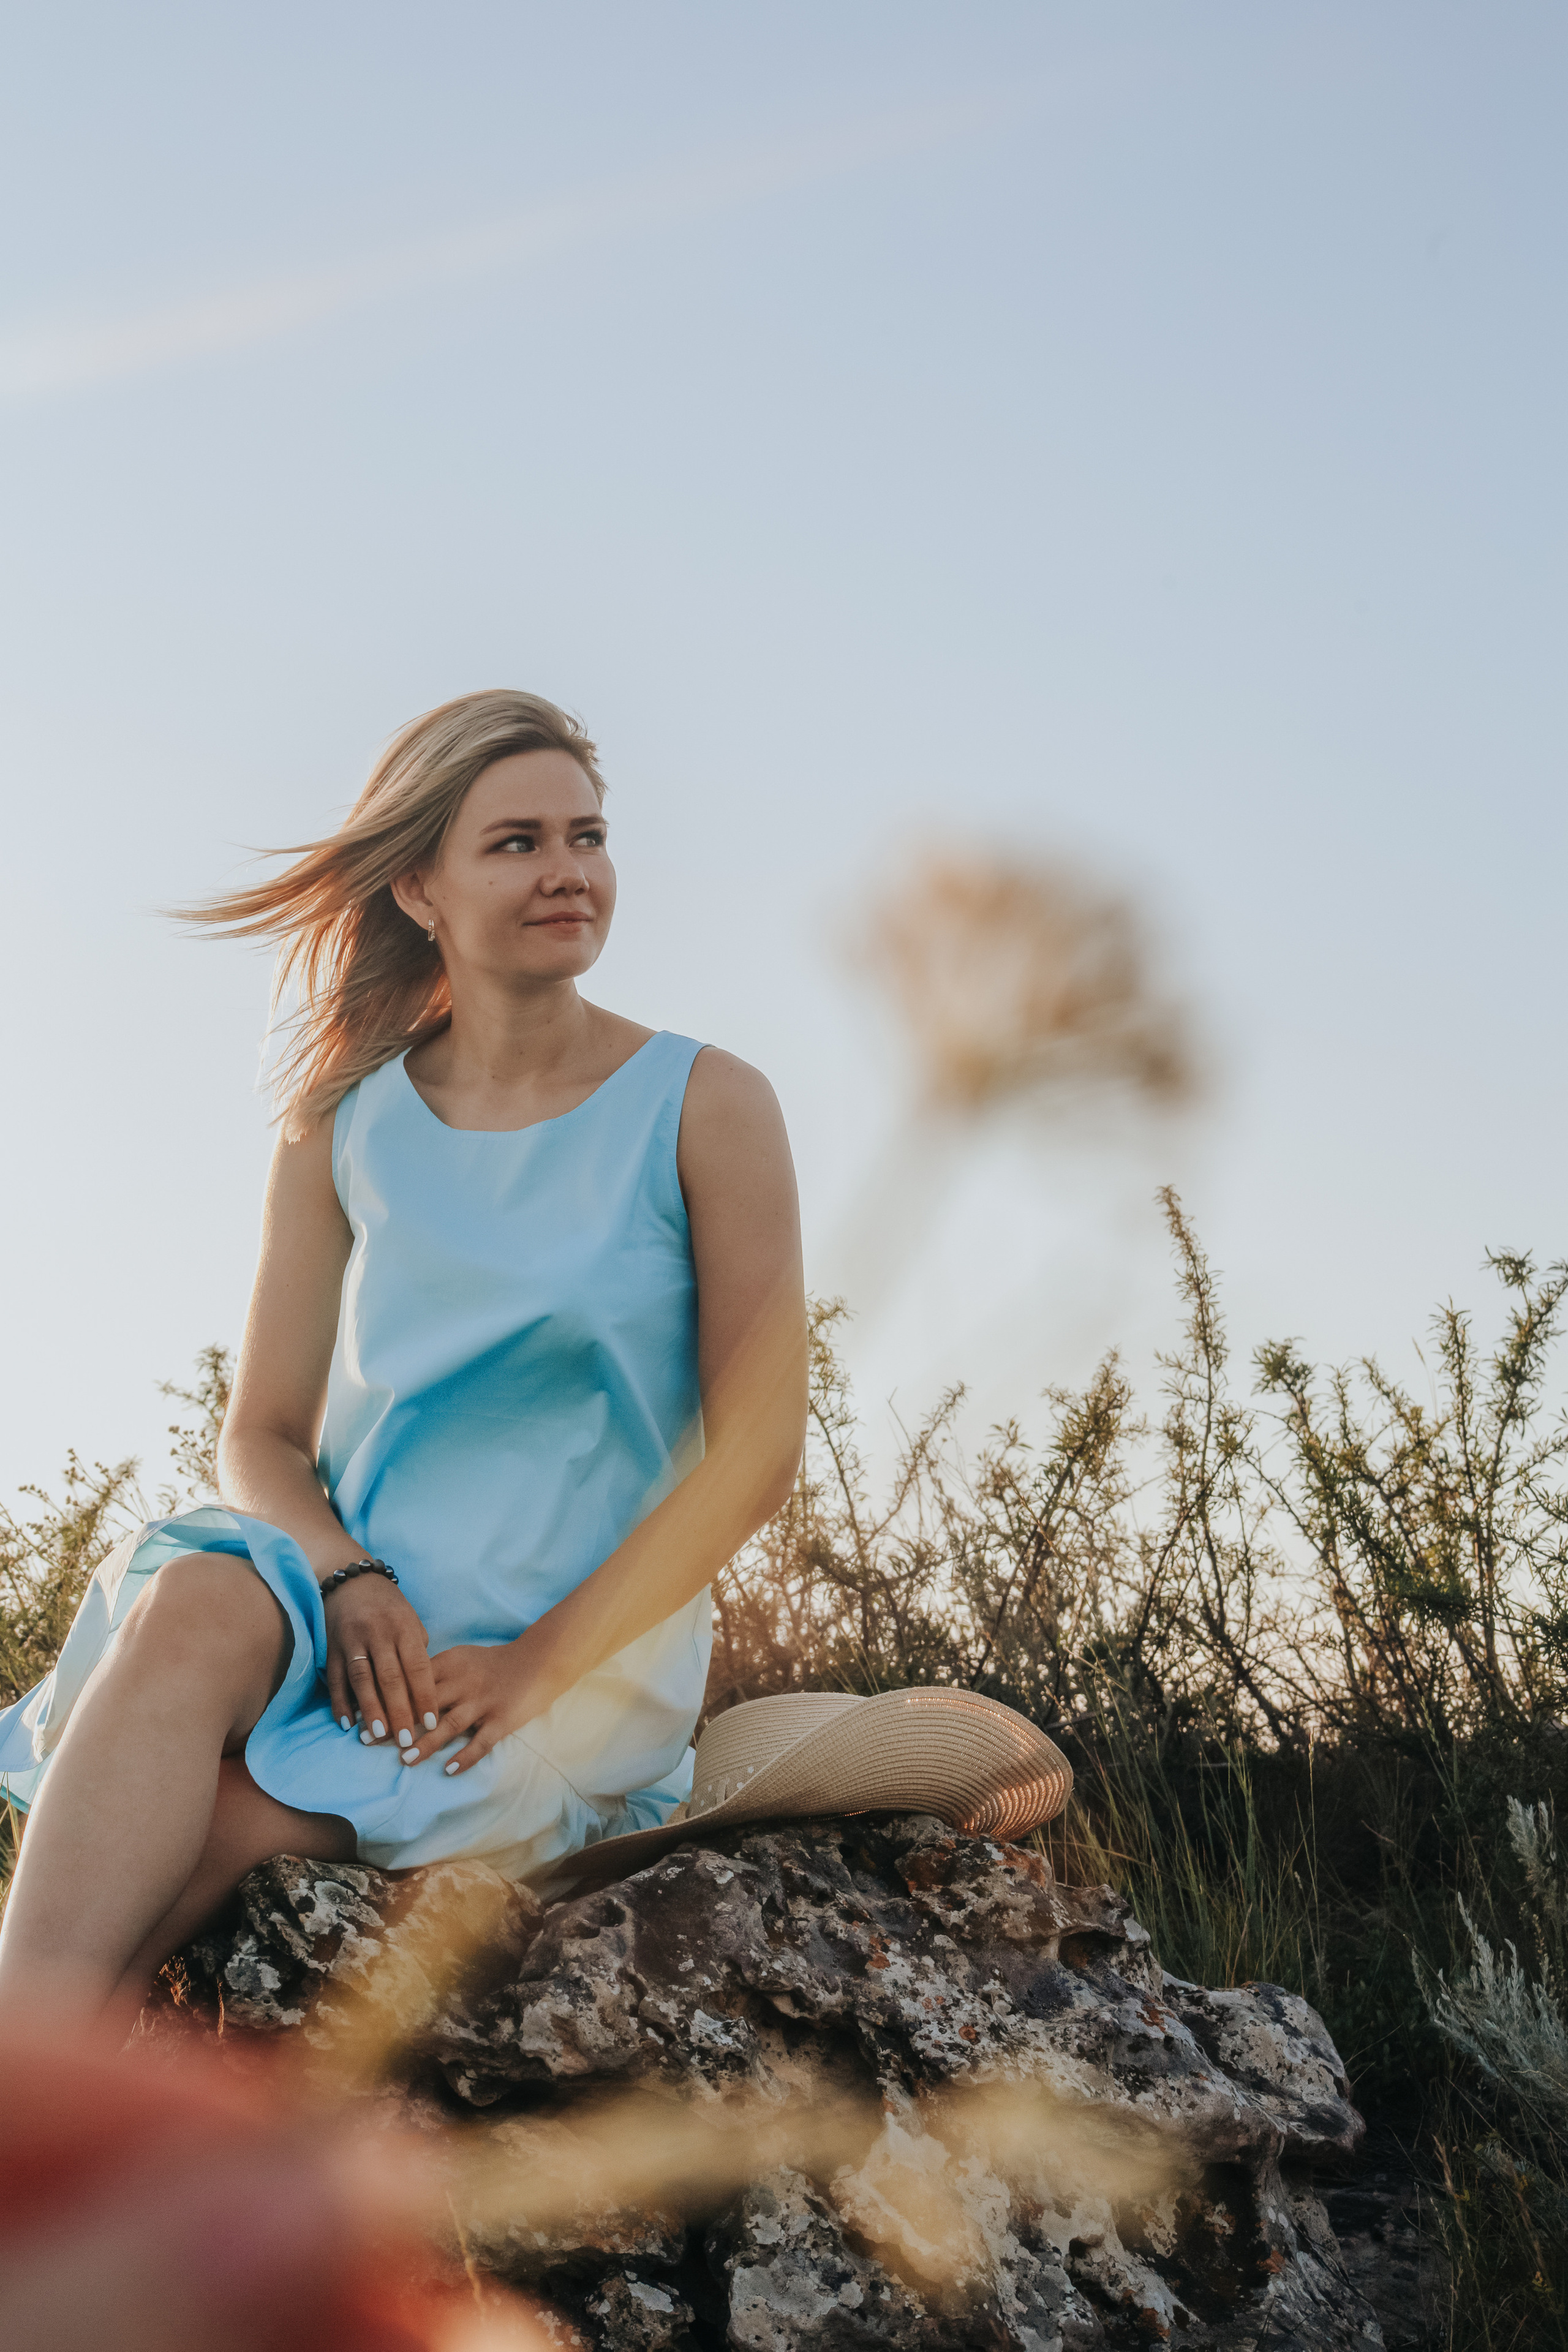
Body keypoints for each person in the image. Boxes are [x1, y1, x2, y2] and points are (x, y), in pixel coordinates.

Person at [0, 690, 807, 2032]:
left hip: (552, 1666)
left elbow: (756, 1455)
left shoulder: (707, 1103)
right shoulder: (339, 1121)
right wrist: (349, 1579)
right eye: (514, 843)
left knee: (209, 1834)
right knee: (196, 1595)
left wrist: (531, 1668)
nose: (566, 871)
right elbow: (258, 1431)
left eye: (586, 835)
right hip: (346, 1612)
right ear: (417, 887)